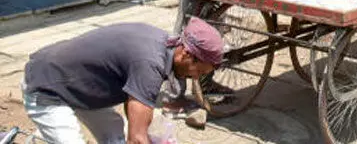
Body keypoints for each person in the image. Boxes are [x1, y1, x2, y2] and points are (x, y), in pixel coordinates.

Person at [22, 18, 222, 144]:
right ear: (187, 54)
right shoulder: (150, 64)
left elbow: (135, 103)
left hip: (78, 87)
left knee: (114, 137)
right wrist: (141, 135)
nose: (195, 77)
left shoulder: (162, 44)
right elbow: (136, 139)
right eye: (198, 71)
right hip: (47, 87)